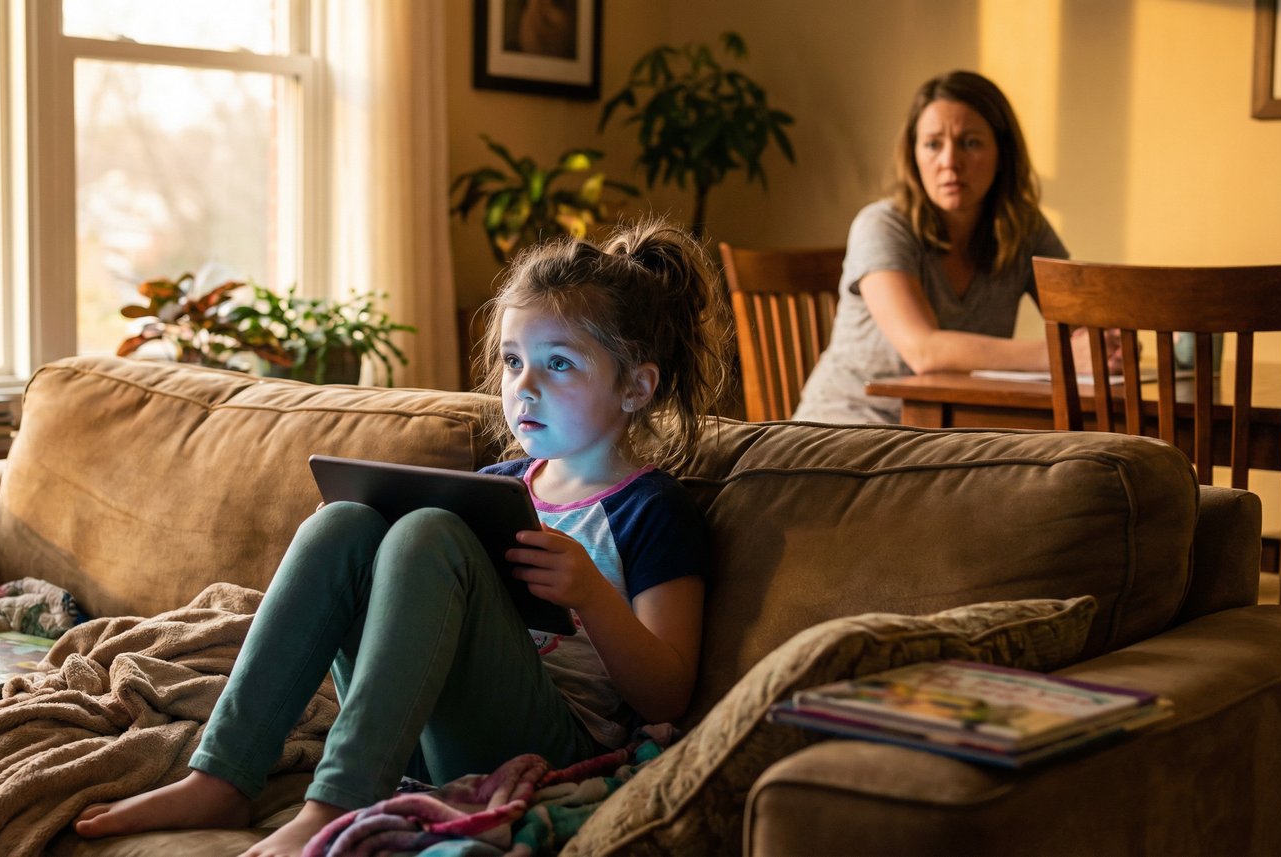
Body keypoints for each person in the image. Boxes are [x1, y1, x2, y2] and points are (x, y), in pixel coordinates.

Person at [72, 219, 731, 857]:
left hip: (552, 745)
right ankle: (220, 776)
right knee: (344, 520)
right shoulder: (499, 485)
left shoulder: (651, 508)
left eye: (558, 364)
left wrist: (591, 591)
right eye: (512, 361)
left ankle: (333, 804)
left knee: (429, 532)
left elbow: (667, 694)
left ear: (636, 386)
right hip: (416, 736)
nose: (523, 386)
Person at [792, 69, 1116, 424]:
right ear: (913, 154)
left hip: (953, 433)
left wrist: (1108, 348)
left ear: (1002, 153)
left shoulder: (1025, 230)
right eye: (933, 144)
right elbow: (924, 351)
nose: (949, 161)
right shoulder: (882, 225)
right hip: (844, 430)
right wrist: (1063, 357)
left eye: (971, 143)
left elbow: (1085, 325)